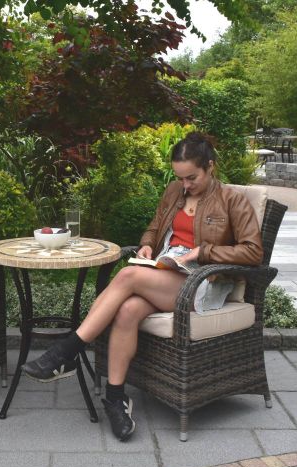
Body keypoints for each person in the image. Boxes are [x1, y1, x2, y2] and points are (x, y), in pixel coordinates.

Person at [22, 132, 263, 441]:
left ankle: (67, 351)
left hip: (202, 284)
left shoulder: (232, 200)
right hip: (167, 274)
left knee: (127, 276)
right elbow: (154, 226)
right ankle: (116, 398)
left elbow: (253, 252)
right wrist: (147, 246)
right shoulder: (175, 191)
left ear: (210, 167)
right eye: (181, 178)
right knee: (127, 311)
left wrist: (202, 252)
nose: (185, 185)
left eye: (192, 178)